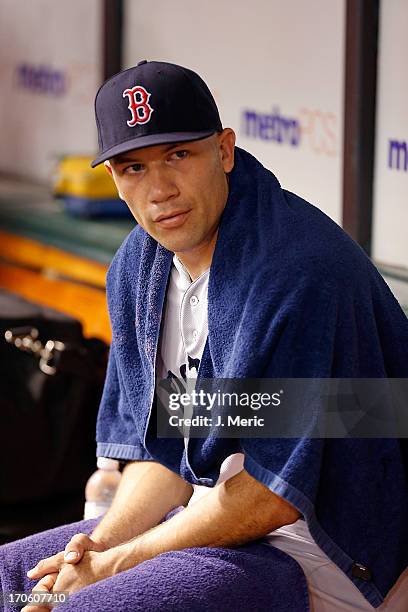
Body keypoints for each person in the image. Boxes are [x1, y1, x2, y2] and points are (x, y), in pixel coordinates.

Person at [1, 60, 408, 612]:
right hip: (209, 516)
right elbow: (166, 447)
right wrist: (95, 549)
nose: (160, 189)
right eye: (133, 167)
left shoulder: (302, 273)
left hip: (324, 544)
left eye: (178, 155)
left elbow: (271, 499)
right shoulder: (138, 269)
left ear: (223, 150)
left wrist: (115, 566)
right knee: (10, 580)